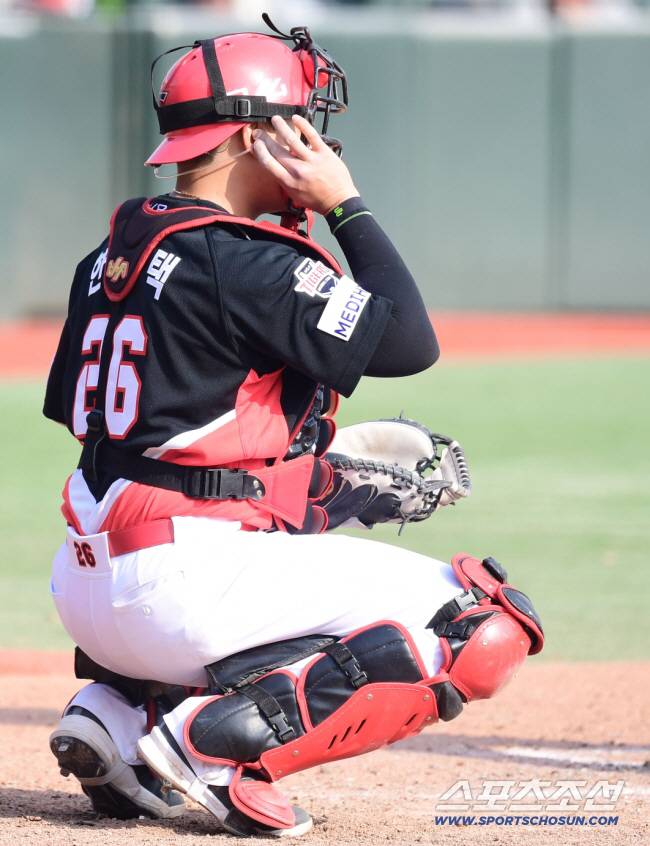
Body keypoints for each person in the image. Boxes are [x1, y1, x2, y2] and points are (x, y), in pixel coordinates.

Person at [44, 19, 543, 838]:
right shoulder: (248, 258)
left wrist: (320, 478)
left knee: (279, 578)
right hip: (178, 591)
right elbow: (409, 342)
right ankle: (208, 747)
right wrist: (345, 204)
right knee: (480, 626)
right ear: (253, 136)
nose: (316, 139)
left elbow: (154, 436)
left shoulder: (106, 258)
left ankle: (117, 713)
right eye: (301, 123)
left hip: (91, 584)